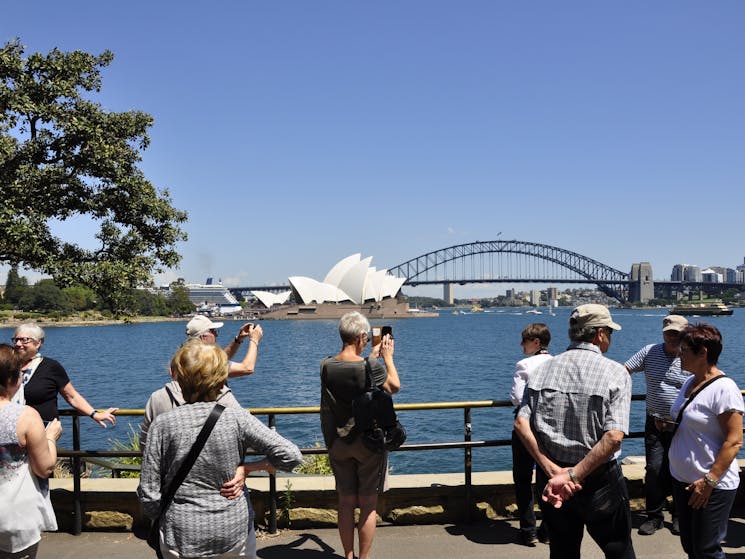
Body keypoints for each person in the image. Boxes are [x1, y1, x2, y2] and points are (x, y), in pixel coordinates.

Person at [138, 340, 302, 559]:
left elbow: (148, 493)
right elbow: (291, 455)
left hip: (181, 533)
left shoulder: (163, 425)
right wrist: (249, 468)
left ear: (180, 376)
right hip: (233, 530)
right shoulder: (237, 418)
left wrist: (167, 515)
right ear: (220, 377)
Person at [514, 304, 635, 559]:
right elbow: (613, 437)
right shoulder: (616, 373)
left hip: (552, 479)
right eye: (610, 333)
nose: (610, 339)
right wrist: (574, 475)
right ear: (600, 333)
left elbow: (521, 424)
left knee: (562, 550)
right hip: (599, 478)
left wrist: (553, 471)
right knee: (618, 549)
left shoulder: (541, 370)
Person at [320, 311, 400, 559]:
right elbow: (394, 386)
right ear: (362, 336)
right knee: (367, 505)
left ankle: (348, 555)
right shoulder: (371, 367)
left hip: (338, 442)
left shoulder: (326, 365)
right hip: (368, 443)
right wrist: (386, 358)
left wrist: (370, 359)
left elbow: (352, 370)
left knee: (345, 503)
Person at [669, 323, 743, 559]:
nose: (679, 355)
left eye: (684, 351)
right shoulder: (689, 383)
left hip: (710, 485)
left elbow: (734, 440)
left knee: (707, 551)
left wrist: (709, 481)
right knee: (691, 546)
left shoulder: (724, 388)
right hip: (684, 481)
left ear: (703, 353)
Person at [625, 314, 690, 536]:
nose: (673, 338)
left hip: (684, 424)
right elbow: (625, 370)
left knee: (682, 470)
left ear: (685, 334)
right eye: (669, 333)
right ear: (663, 333)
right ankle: (654, 516)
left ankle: (680, 515)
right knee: (654, 469)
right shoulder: (649, 352)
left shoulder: (691, 355)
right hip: (655, 421)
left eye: (677, 334)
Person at [0, 344, 63, 559]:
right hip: (14, 516)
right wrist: (50, 437)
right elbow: (44, 467)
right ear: (12, 378)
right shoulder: (26, 416)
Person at [11, 323, 117, 426]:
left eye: (24, 340)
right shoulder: (8, 367)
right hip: (11, 429)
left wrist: (95, 414)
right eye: (16, 340)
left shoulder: (51, 367)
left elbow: (72, 396)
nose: (18, 344)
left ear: (38, 343)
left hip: (43, 432)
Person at [509, 323, 552, 546]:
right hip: (552, 427)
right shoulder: (558, 362)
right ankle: (547, 530)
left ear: (536, 342)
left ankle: (528, 530)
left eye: (524, 341)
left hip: (526, 426)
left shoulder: (524, 364)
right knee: (548, 477)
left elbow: (517, 397)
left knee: (523, 478)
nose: (521, 345)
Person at [185, 315, 263, 377]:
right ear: (203, 337)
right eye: (213, 331)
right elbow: (247, 368)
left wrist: (239, 339)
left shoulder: (190, 355)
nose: (216, 334)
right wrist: (254, 340)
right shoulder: (205, 362)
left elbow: (221, 359)